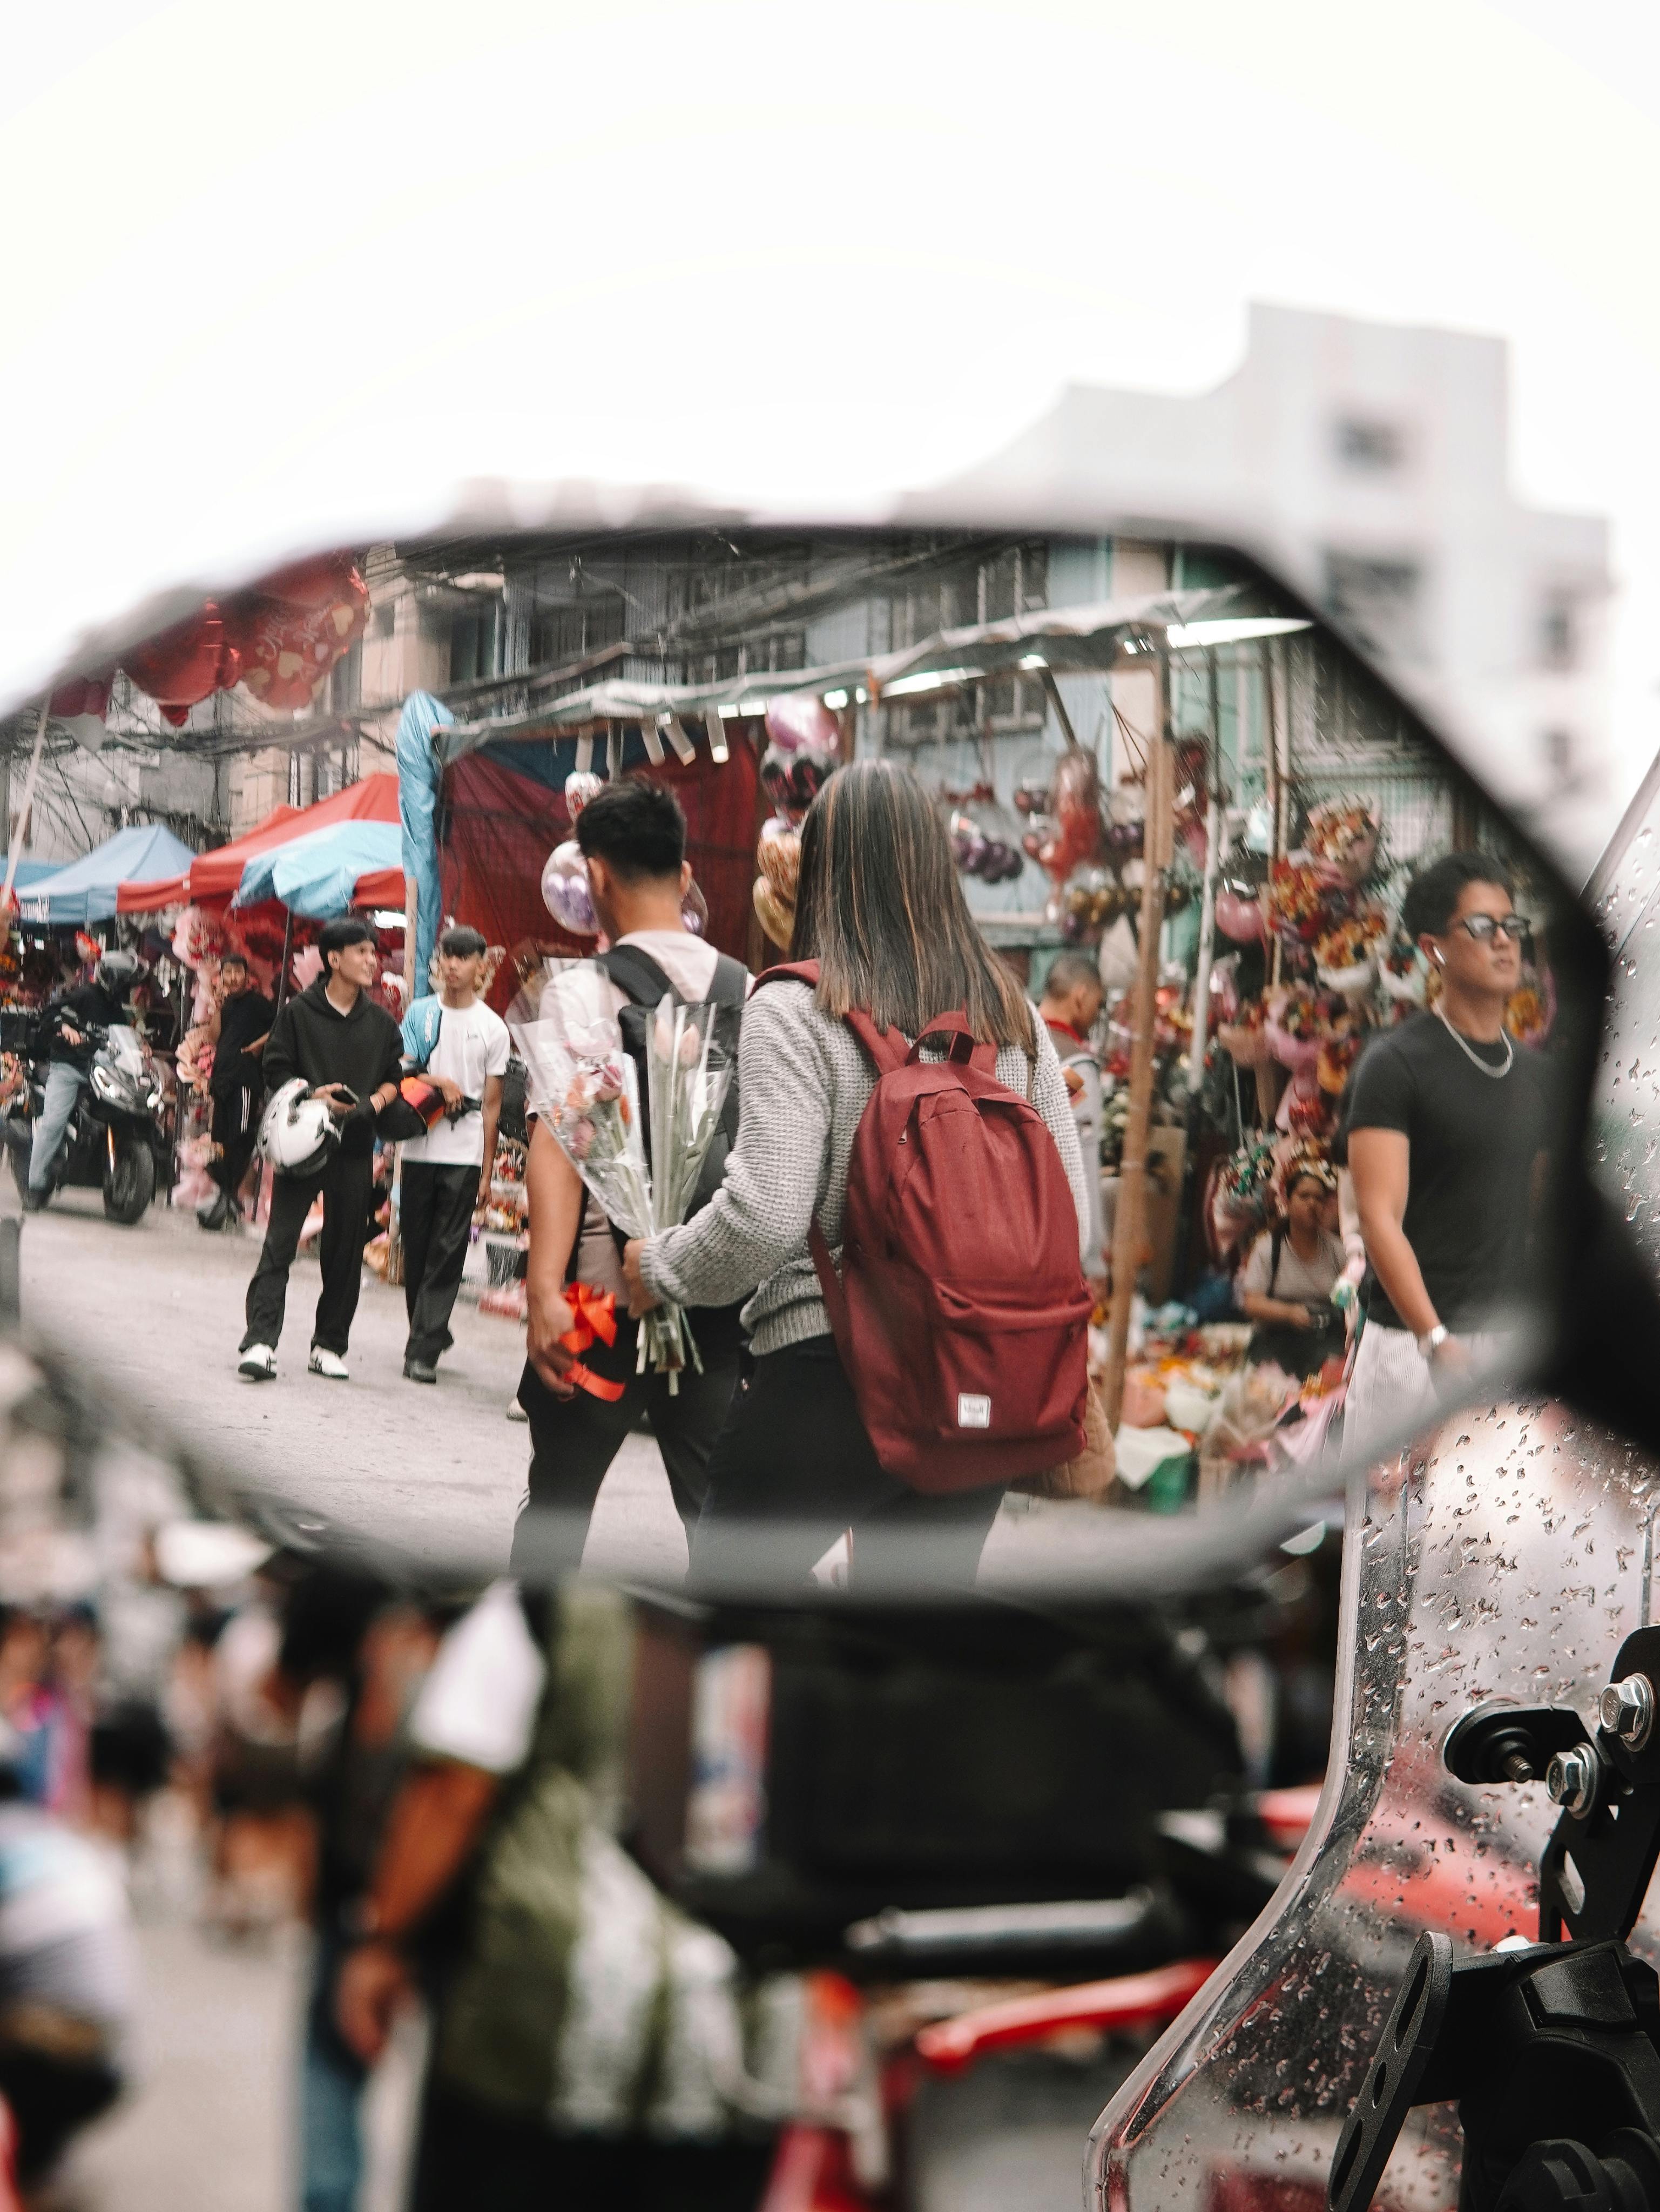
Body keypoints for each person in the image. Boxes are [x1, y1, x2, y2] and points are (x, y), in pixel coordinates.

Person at [623, 760, 1091, 1595]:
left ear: (824, 869)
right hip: (976, 1382)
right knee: (904, 1660)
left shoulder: (797, 1006)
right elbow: (1072, 1223)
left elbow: (764, 1215)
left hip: (825, 1379)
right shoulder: (1011, 1017)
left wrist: (659, 1268)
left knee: (723, 1630)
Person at [330, 1581, 771, 2212]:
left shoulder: (551, 1596)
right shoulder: (813, 1595)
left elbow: (454, 1787)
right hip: (732, 2044)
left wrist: (383, 1942)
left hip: (543, 2028)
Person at [512, 779, 750, 1579]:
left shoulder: (578, 991)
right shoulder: (750, 994)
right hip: (712, 1296)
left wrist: (544, 1291)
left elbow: (562, 1139)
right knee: (718, 1524)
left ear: (596, 877)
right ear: (685, 879)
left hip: (595, 1299)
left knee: (558, 1505)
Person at [1344, 853, 1550, 1453]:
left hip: (1502, 1350)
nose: (1504, 943)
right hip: (1412, 1351)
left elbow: (1539, 1215)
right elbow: (1377, 1218)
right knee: (1401, 1543)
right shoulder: (1394, 1064)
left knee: (1497, 1545)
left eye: (1511, 927)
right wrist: (1435, 1339)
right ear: (1433, 949)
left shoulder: (1539, 1076)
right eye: (1481, 928)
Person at [237, 916, 403, 1384]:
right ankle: (261, 1342)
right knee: (279, 1245)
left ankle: (329, 1344)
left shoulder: (381, 1024)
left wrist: (371, 1104)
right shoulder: (299, 1013)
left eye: (374, 953)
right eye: (363, 952)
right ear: (334, 960)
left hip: (353, 1150)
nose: (374, 961)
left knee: (346, 1254)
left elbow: (395, 1077)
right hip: (303, 1144)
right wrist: (312, 1094)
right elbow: (275, 1066)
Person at [397, 926, 509, 1385]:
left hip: (463, 1154)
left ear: (482, 965)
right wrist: (435, 1082)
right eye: (448, 957)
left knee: (447, 1251)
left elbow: (494, 1106)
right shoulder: (421, 1014)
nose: (453, 966)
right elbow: (399, 1071)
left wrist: (487, 1173)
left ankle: (422, 1350)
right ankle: (428, 1330)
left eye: (464, 958)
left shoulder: (493, 1028)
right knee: (418, 1250)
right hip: (419, 1147)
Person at [24, 949, 138, 1208]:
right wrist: (64, 1027)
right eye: (123, 981)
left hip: (101, 1072)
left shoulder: (115, 1008)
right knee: (53, 1122)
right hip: (69, 1067)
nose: (125, 986)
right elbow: (50, 1012)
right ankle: (35, 1184)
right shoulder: (83, 994)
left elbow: (123, 1036)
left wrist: (139, 1049)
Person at [1238, 1161, 1346, 1379]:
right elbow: (1252, 1303)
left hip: (1324, 1338)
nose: (1312, 1204)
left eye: (1319, 1199)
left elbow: (1353, 1292)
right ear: (1287, 1201)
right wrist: (1289, 1314)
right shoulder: (1269, 1248)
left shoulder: (1336, 1249)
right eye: (1304, 1197)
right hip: (1277, 1338)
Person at [1039, 949, 1106, 1289]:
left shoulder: (1013, 1042)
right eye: (1098, 1003)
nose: (1097, 1015)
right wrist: (1092, 1256)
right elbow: (1083, 1156)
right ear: (1081, 996)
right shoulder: (1076, 1069)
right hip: (1062, 1240)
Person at [199, 952, 273, 1232]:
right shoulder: (227, 1004)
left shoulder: (257, 1004)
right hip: (222, 1080)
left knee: (241, 1136)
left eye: (237, 973)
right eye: (227, 973)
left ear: (246, 975)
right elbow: (214, 1037)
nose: (232, 978)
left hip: (244, 1081)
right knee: (220, 1139)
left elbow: (281, 1025)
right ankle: (226, 1195)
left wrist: (258, 1046)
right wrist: (217, 1006)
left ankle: (228, 1193)